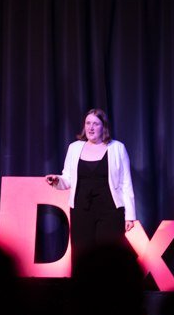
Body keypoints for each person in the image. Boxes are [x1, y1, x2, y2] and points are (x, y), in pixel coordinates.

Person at [45, 108, 135, 255]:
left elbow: (126, 183)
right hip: (81, 211)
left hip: (110, 211)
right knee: (82, 254)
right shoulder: (74, 148)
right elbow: (67, 179)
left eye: (95, 124)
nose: (91, 127)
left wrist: (130, 216)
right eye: (88, 123)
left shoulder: (117, 148)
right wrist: (57, 180)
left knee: (109, 256)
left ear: (103, 127)